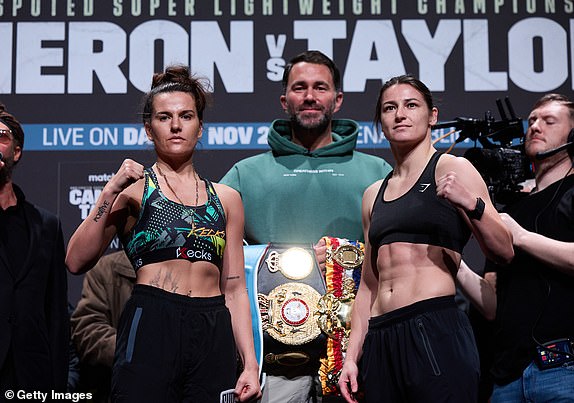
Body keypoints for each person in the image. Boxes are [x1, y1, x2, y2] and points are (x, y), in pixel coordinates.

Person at [65, 65, 261, 402]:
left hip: (211, 326)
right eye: (164, 117)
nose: (175, 125)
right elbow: (75, 260)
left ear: (200, 128)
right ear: (148, 128)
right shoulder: (133, 192)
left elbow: (234, 289)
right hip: (152, 321)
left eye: (186, 116)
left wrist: (250, 363)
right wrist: (110, 190)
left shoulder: (227, 199)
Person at [221, 50, 393, 402]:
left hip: (356, 355)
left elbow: (396, 261)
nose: (310, 96)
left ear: (338, 99)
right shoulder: (245, 174)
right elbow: (215, 249)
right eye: (300, 88)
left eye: (320, 87)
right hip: (275, 359)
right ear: (284, 100)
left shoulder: (377, 173)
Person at [338, 74, 514, 403]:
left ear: (432, 116)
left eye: (411, 105)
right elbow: (368, 285)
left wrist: (470, 203)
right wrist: (351, 357)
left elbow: (503, 250)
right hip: (380, 338)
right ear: (381, 122)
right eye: (390, 108)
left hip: (432, 329)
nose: (400, 114)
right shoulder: (373, 194)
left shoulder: (452, 168)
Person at [486, 93, 574, 402]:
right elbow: (491, 306)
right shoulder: (512, 211)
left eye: (549, 121)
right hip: (507, 377)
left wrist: (520, 236)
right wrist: (450, 263)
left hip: (564, 371)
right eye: (532, 120)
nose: (535, 126)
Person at [0, 104, 69, 391]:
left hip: (32, 375)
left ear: (16, 152)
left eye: (2, 136)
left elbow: (56, 315)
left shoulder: (47, 226)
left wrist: (56, 387)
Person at [71, 250, 135, 402]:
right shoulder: (106, 269)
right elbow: (87, 328)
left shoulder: (195, 272)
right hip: (118, 388)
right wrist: (133, 352)